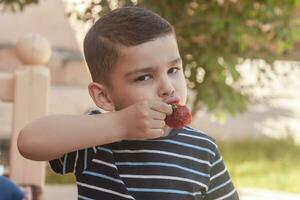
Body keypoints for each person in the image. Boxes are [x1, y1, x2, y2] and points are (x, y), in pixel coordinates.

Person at [17, 6, 239, 200]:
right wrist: (119, 125)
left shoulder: (202, 150)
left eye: (173, 70)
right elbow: (29, 142)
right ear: (104, 97)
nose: (168, 87)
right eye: (144, 77)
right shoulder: (94, 140)